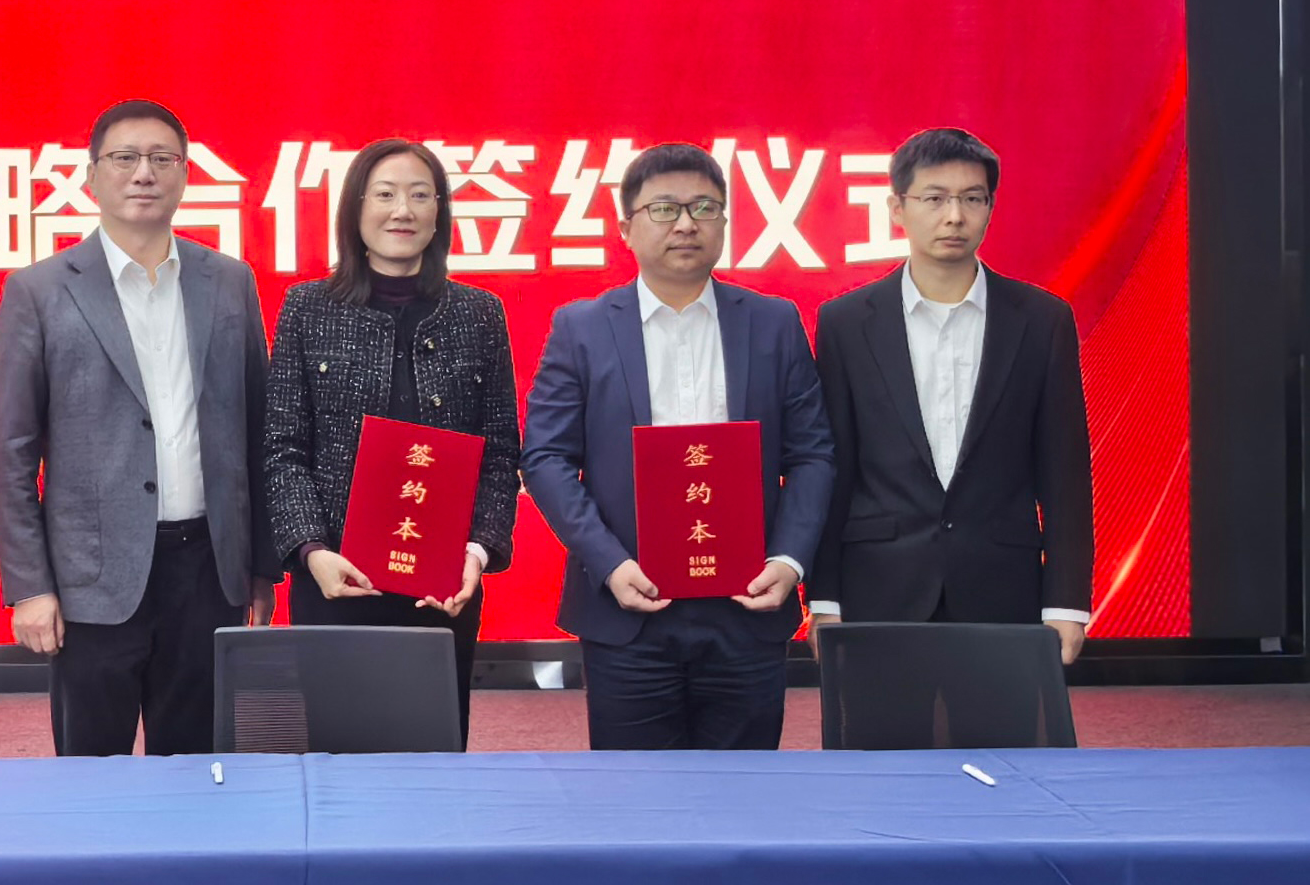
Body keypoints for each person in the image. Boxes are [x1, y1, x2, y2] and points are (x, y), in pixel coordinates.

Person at [0, 98, 276, 757]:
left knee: (199, 769)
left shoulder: (229, 282)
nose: (144, 172)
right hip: (90, 579)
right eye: (125, 158)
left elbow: (257, 429)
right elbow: (9, 452)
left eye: (161, 158)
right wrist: (30, 586)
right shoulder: (40, 290)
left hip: (208, 571)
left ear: (185, 173)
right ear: (92, 176)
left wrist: (261, 566)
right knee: (93, 777)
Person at [521, 143, 834, 750]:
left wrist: (789, 560)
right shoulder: (581, 328)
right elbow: (546, 458)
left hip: (748, 606)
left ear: (724, 222)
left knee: (744, 789)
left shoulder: (774, 322)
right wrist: (610, 563)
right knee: (634, 795)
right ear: (626, 228)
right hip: (626, 608)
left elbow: (813, 454)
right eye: (664, 208)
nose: (686, 224)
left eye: (704, 207)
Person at [264, 138, 521, 746]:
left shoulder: (479, 314)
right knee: (333, 755)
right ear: (355, 209)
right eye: (384, 194)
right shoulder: (307, 308)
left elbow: (500, 454)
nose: (401, 210)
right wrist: (311, 550)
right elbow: (282, 449)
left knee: (432, 753)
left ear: (439, 213)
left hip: (443, 586)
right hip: (333, 579)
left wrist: (476, 552)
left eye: (419, 195)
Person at [808, 127, 1094, 664]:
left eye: (972, 199)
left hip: (1002, 589)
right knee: (884, 724)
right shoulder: (845, 323)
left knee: (999, 725)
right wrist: (824, 599)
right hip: (878, 588)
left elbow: (1065, 472)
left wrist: (1067, 603)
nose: (955, 216)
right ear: (897, 208)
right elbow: (834, 468)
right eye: (935, 199)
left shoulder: (1041, 319)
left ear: (990, 207)